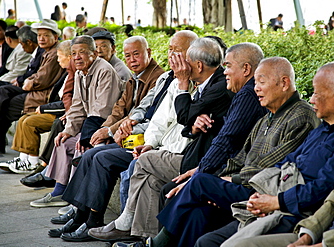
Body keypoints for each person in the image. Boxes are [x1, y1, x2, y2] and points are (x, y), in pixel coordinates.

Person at [89, 42, 268, 243]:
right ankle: (145, 238)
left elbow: (220, 136)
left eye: (228, 66)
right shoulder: (240, 92)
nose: (225, 71)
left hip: (207, 162)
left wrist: (202, 170)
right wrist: (192, 127)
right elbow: (187, 122)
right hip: (196, 156)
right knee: (152, 179)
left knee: (145, 164)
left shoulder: (238, 91)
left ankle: (131, 227)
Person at [146, 57, 320, 247]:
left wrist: (226, 181)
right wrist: (220, 181)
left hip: (262, 192)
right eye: (255, 83)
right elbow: (239, 158)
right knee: (198, 214)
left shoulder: (301, 116)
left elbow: (272, 166)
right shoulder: (267, 117)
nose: (256, 88)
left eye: (261, 82)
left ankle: (157, 244)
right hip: (243, 186)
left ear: (284, 83)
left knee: (200, 181)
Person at [198, 61, 334, 247]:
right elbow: (287, 161)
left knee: (200, 184)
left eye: (316, 93)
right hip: (274, 198)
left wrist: (274, 201)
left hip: (295, 212)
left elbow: (324, 189)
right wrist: (262, 194)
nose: (311, 99)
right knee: (204, 234)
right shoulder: (320, 127)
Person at [47, 32, 190, 242]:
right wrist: (119, 126)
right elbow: (132, 109)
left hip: (148, 142)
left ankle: (97, 221)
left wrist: (122, 129)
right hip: (138, 136)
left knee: (101, 158)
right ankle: (81, 215)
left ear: (148, 53)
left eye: (176, 51)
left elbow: (167, 121)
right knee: (92, 154)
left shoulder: (176, 80)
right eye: (169, 50)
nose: (171, 55)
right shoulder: (164, 77)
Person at [28, 35, 123, 207]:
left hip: (104, 129)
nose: (77, 57)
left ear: (94, 54)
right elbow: (77, 106)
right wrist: (69, 131)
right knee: (63, 141)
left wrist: (83, 135)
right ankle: (59, 192)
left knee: (81, 147)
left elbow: (102, 111)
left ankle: (76, 202)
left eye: (82, 53)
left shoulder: (104, 70)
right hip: (91, 126)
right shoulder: (80, 72)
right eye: (73, 53)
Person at [2, 41, 72, 176]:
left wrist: (45, 108)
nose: (57, 60)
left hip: (61, 115)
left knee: (30, 122)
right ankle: (24, 159)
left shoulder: (74, 75)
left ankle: (32, 162)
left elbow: (67, 103)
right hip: (56, 110)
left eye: (59, 56)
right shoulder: (68, 73)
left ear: (69, 57)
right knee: (24, 118)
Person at [0, 19, 64, 157]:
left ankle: (26, 158)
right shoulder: (47, 51)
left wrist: (29, 82)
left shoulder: (54, 53)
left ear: (56, 37)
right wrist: (28, 80)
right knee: (3, 94)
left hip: (42, 95)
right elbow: (36, 74)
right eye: (39, 35)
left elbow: (42, 79)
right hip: (35, 90)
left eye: (46, 35)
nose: (41, 39)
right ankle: (22, 156)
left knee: (8, 107)